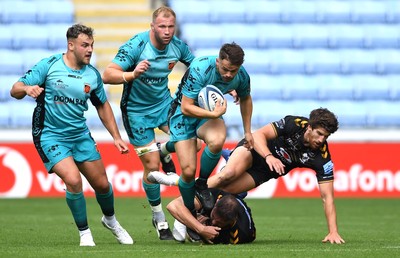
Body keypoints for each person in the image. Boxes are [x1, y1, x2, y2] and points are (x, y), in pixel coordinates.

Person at [10, 24, 133, 246]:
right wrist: (27, 89)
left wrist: (116, 136)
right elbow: (15, 88)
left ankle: (111, 221)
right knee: (74, 180)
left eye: (92, 46)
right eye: (85, 45)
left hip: (79, 135)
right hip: (50, 135)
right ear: (71, 45)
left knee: (103, 185)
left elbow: (102, 105)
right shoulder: (49, 66)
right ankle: (84, 233)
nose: (90, 50)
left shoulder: (92, 74)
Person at [149, 108, 345, 244]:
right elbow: (258, 134)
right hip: (254, 151)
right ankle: (174, 181)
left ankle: (183, 207)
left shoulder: (322, 159)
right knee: (226, 175)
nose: (321, 140)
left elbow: (327, 197)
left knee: (219, 191)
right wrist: (268, 156)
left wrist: (333, 231)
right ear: (309, 127)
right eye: (319, 133)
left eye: (325, 137)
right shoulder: (294, 123)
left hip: (262, 172)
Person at [102, 6, 195, 240]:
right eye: (162, 26)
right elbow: (108, 74)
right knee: (152, 168)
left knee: (192, 144)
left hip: (164, 105)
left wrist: (226, 87)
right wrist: (131, 74)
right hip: (137, 113)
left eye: (171, 26)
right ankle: (159, 217)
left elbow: (197, 68)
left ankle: (165, 149)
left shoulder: (178, 47)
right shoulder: (136, 46)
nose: (167, 31)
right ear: (152, 26)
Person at [168, 42, 254, 227]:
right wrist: (214, 114)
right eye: (225, 69)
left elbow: (246, 98)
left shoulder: (242, 76)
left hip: (206, 115)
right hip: (182, 115)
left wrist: (247, 131)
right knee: (188, 171)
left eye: (234, 71)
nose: (229, 75)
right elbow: (186, 107)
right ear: (218, 61)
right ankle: (190, 215)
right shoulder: (200, 68)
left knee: (217, 141)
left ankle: (203, 184)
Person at [166, 188, 256, 244]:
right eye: (213, 216)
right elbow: (172, 205)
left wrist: (202, 233)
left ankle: (187, 216)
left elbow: (210, 239)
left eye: (219, 223)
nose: (213, 222)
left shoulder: (243, 233)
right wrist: (200, 228)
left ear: (232, 221)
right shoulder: (215, 196)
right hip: (225, 187)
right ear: (216, 203)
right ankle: (187, 214)